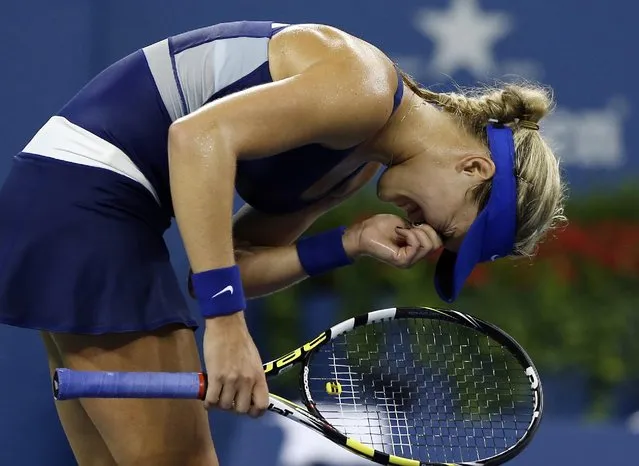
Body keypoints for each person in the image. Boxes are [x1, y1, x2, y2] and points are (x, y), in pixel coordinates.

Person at [0, 20, 566, 466]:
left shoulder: (346, 170)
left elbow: (232, 267)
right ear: (473, 167)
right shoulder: (364, 87)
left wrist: (346, 243)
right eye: (449, 230)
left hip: (68, 198)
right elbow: (197, 137)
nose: (427, 235)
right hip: (89, 197)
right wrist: (227, 327)